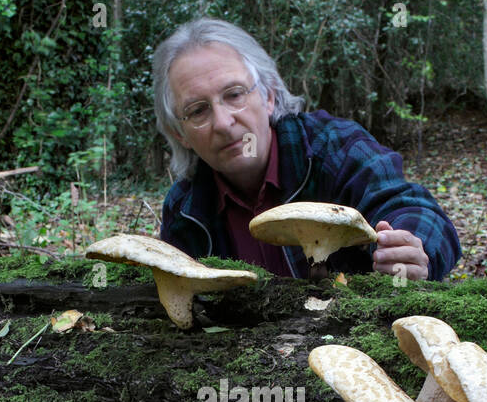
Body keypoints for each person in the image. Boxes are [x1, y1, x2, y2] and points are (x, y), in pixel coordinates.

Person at [152, 18, 461, 281]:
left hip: (357, 346)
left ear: (269, 95)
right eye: (197, 111)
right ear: (180, 134)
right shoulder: (184, 211)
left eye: (234, 95)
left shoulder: (332, 147)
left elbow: (412, 206)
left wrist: (412, 247)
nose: (222, 122)